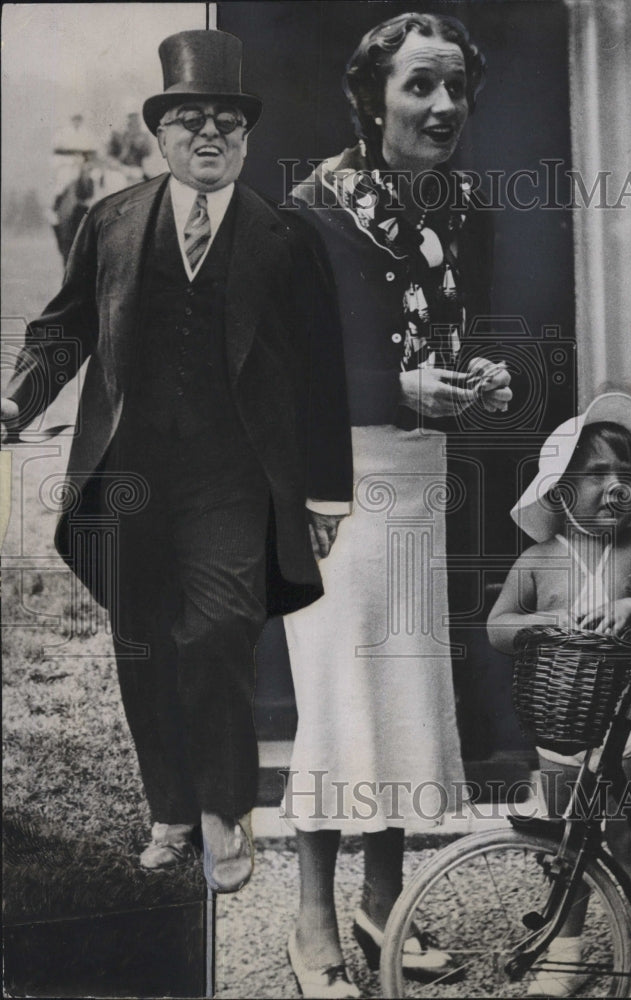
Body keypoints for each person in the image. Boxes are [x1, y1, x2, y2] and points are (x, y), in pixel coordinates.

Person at [1, 29, 352, 895]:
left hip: (233, 480)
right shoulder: (112, 222)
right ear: (159, 136)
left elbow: (323, 372)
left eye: (226, 122)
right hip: (128, 470)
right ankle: (168, 809)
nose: (209, 137)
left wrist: (326, 496)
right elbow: (64, 328)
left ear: (247, 138)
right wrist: (18, 398)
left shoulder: (285, 238)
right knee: (144, 639)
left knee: (222, 627)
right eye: (190, 120)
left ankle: (224, 806)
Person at [280, 13, 512, 997]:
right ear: (372, 98)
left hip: (419, 478)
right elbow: (289, 373)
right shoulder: (313, 209)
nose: (443, 106)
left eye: (455, 87)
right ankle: (311, 920)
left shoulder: (464, 206)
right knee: (341, 697)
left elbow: (442, 346)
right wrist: (396, 392)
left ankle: (382, 905)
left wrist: (479, 379)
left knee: (410, 695)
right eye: (420, 86)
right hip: (333, 482)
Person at [487, 392, 631, 998]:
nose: (614, 486)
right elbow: (498, 628)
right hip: (561, 727)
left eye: (624, 474)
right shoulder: (539, 559)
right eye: (596, 474)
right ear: (561, 488)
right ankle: (565, 951)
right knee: (564, 840)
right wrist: (544, 624)